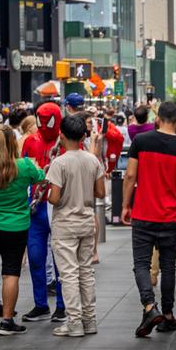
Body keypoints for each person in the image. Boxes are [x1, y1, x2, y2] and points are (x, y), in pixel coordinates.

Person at [122, 101, 176, 338]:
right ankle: (170, 315)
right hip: (171, 216)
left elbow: (131, 174)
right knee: (168, 266)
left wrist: (125, 205)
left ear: (158, 117)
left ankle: (150, 307)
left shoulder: (141, 142)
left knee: (141, 264)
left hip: (143, 213)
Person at [0, 127, 45, 335]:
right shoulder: (24, 166)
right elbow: (42, 179)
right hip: (16, 227)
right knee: (10, 274)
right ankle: (6, 321)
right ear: (13, 143)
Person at [47, 115, 105, 338]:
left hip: (65, 223)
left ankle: (74, 322)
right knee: (86, 272)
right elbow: (100, 192)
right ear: (83, 136)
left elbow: (54, 198)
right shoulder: (92, 160)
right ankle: (90, 320)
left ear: (61, 135)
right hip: (86, 221)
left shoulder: (59, 163)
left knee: (69, 274)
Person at [19, 102, 65, 324]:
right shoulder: (30, 141)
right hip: (37, 207)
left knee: (60, 260)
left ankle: (62, 305)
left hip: (58, 205)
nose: (44, 124)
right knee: (36, 257)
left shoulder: (66, 142)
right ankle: (41, 304)